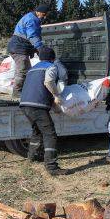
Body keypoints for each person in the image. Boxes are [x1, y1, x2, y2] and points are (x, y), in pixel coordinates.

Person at [19, 47, 70, 176]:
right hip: (37, 105)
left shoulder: (33, 69)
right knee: (50, 134)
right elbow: (48, 82)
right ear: (53, 59)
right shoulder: (50, 67)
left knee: (37, 132)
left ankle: (31, 157)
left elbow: (38, 88)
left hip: (25, 104)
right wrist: (57, 95)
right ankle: (51, 166)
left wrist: (54, 106)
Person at [7, 4, 50, 98]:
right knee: (23, 70)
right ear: (38, 12)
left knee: (27, 70)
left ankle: (24, 91)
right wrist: (40, 48)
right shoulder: (32, 19)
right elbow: (32, 36)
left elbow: (33, 36)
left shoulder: (32, 18)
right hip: (18, 48)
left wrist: (36, 49)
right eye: (44, 14)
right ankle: (17, 93)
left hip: (19, 47)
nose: (45, 16)